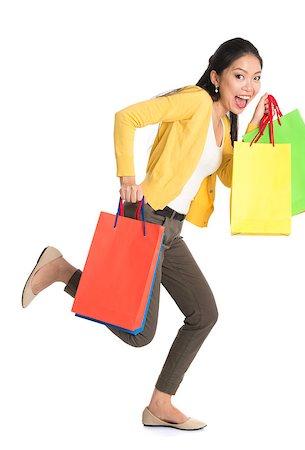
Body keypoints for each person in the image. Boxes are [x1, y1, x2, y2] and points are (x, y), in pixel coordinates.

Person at [22, 37, 269, 430]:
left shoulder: (226, 124)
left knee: (204, 313)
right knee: (140, 333)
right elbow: (126, 117)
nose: (249, 87)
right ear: (216, 76)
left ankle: (160, 404)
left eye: (256, 78)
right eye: (240, 76)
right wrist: (127, 178)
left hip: (172, 230)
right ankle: (62, 271)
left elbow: (227, 177)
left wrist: (253, 133)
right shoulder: (194, 101)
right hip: (148, 217)